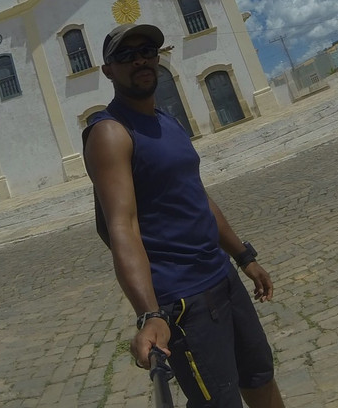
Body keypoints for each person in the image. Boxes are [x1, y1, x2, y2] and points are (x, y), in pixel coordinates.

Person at [82, 23, 285, 408]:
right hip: (183, 300)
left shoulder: (167, 121)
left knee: (260, 377)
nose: (140, 60)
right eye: (125, 55)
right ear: (108, 70)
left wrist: (244, 257)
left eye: (147, 51)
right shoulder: (110, 132)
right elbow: (121, 227)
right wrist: (149, 314)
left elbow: (197, 196)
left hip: (221, 276)